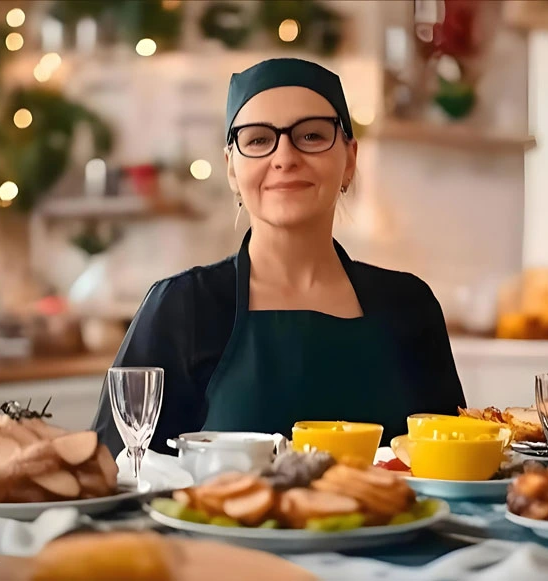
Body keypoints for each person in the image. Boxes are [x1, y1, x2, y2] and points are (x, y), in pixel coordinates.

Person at [92, 58, 465, 458]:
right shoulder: (184, 308)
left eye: (311, 136)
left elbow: (455, 466)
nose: (285, 157)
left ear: (350, 160)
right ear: (231, 168)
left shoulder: (409, 305)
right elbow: (114, 472)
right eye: (257, 140)